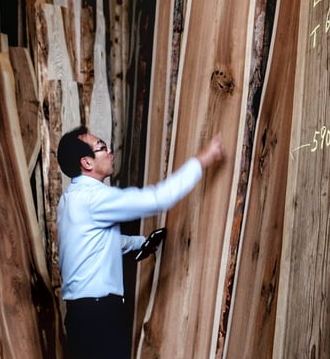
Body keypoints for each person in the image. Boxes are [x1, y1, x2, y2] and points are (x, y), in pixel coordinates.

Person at [55, 125, 225, 359]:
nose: (110, 151)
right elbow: (158, 199)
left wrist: (141, 243)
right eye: (102, 147)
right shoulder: (94, 198)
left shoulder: (69, 200)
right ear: (87, 163)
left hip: (79, 318)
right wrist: (202, 159)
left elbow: (96, 243)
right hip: (99, 318)